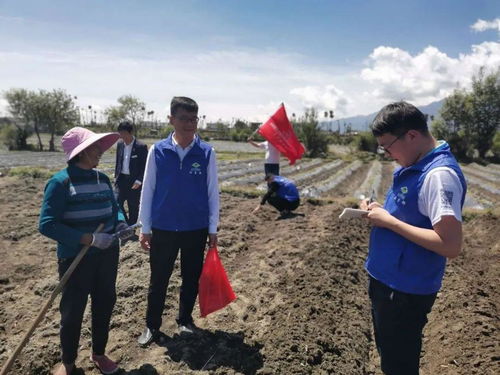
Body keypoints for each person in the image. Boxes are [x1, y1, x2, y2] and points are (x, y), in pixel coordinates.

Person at [360, 101, 467, 375]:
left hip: (404, 290)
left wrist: (391, 222)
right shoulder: (417, 162)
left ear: (411, 135)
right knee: (391, 355)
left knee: (399, 365)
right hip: (390, 282)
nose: (387, 153)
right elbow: (412, 215)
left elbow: (450, 245)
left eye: (388, 146)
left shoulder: (438, 176)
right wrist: (381, 213)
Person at [39, 127, 128, 375]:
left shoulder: (103, 179)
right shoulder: (60, 182)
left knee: (104, 303)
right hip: (75, 259)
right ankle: (68, 363)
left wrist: (120, 222)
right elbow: (47, 224)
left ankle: (99, 353)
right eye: (94, 148)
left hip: (107, 255)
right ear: (81, 152)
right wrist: (87, 238)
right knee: (72, 311)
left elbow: (114, 208)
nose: (100, 151)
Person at [137, 96, 219, 345]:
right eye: (183, 118)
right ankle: (152, 326)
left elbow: (212, 192)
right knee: (158, 279)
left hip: (195, 228)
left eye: (194, 119)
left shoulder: (206, 152)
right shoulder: (158, 151)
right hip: (163, 227)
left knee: (190, 278)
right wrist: (145, 227)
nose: (189, 124)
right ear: (171, 119)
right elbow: (148, 190)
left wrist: (213, 228)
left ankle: (185, 320)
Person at [114, 120, 148, 226]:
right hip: (122, 179)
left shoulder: (140, 147)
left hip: (134, 181)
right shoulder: (120, 144)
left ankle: (131, 227)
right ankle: (125, 223)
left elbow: (145, 166)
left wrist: (139, 180)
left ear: (131, 132)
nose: (122, 136)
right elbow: (118, 162)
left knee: (133, 205)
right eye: (120, 134)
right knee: (116, 202)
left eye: (124, 134)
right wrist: (116, 177)